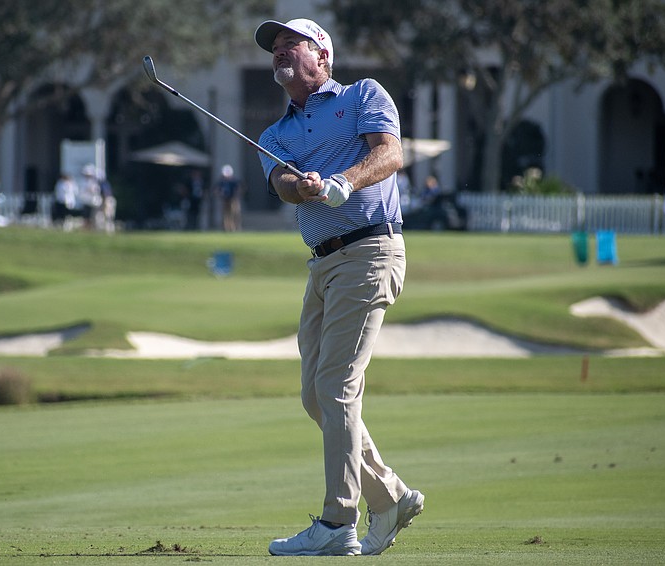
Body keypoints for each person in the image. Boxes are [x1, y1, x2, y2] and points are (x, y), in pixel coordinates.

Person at [254, 18, 424, 556]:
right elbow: (281, 185)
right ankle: (390, 497)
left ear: (321, 54)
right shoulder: (274, 136)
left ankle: (337, 523)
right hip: (323, 263)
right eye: (275, 48)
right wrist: (302, 187)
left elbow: (390, 154)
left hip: (371, 249)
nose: (279, 52)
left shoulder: (362, 96)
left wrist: (342, 181)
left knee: (336, 386)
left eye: (290, 45)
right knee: (316, 395)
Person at [214, 164, 243, 231]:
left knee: (235, 214)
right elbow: (216, 190)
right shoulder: (221, 181)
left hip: (233, 200)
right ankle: (227, 228)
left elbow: (240, 189)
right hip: (225, 199)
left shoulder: (234, 181)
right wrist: (220, 194)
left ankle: (236, 228)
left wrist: (236, 195)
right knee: (226, 215)